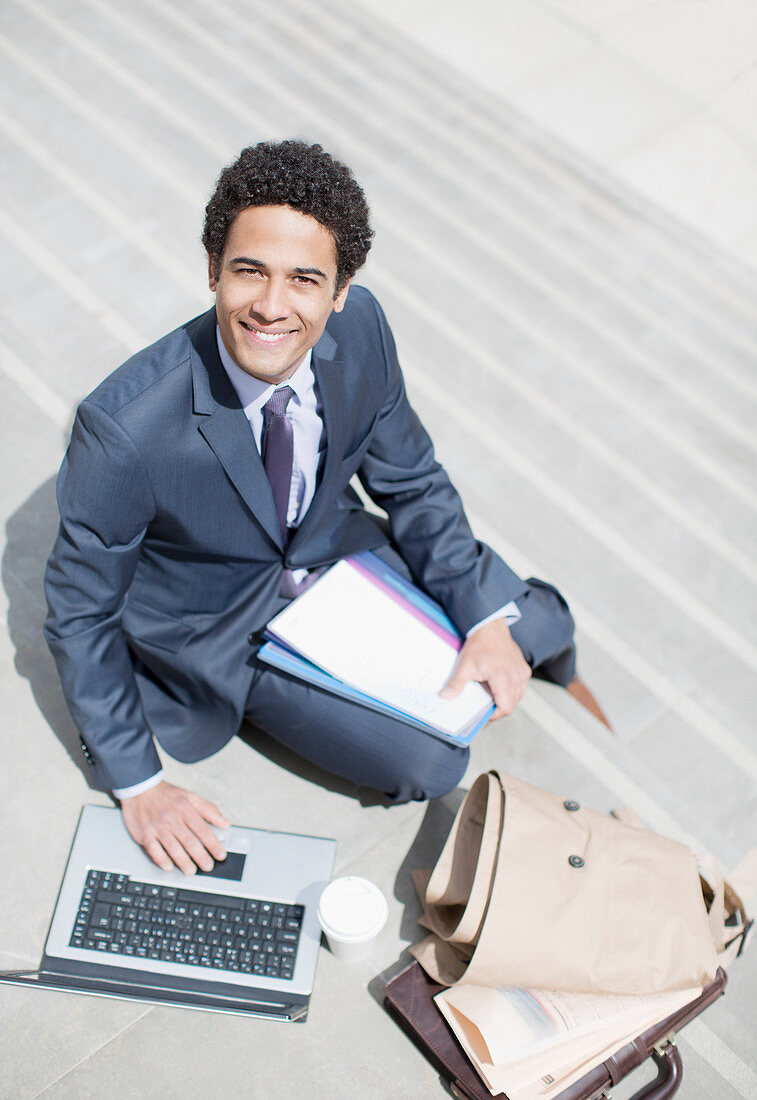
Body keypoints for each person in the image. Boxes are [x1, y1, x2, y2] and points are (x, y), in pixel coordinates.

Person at [45, 140, 606, 876]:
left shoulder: (362, 329)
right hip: (221, 626)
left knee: (532, 619)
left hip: (333, 551)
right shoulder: (124, 429)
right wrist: (136, 783)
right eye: (249, 271)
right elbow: (80, 613)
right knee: (429, 765)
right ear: (212, 269)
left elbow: (409, 479)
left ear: (340, 290)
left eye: (304, 280)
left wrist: (481, 621)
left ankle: (497, 631)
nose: (272, 307)